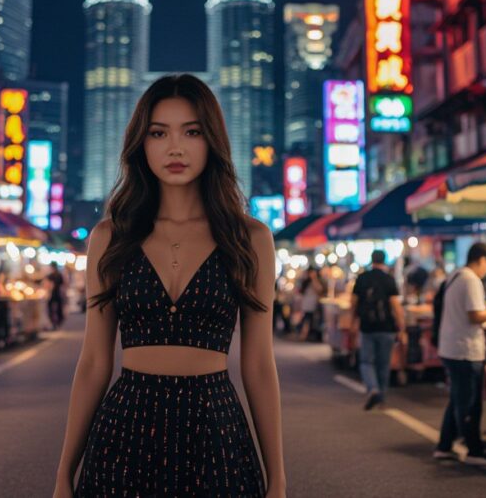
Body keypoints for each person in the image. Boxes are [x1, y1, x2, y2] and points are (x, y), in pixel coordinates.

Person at [54, 75, 282, 497]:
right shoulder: (111, 236)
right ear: (142, 143)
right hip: (123, 433)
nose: (175, 147)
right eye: (159, 133)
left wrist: (278, 480)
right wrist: (63, 475)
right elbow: (93, 363)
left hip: (217, 433)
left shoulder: (249, 237)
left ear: (211, 140)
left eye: (191, 132)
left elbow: (259, 367)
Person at [434, 242, 486, 466]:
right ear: (481, 260)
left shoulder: (455, 276)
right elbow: (475, 316)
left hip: (451, 347)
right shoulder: (471, 280)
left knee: (457, 399)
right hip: (465, 350)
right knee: (469, 403)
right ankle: (474, 451)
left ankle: (444, 445)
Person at [352, 250, 406, 410]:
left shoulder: (362, 278)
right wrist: (401, 327)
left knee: (366, 361)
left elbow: (353, 303)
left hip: (367, 327)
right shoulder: (389, 279)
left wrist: (353, 322)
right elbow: (395, 306)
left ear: (371, 260)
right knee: (384, 363)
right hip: (387, 328)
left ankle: (373, 388)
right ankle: (381, 397)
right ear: (384, 261)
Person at [297, 266, 324, 341]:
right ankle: (304, 334)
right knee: (306, 319)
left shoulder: (317, 281)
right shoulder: (305, 282)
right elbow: (301, 292)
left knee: (310, 319)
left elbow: (319, 290)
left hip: (313, 304)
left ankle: (306, 335)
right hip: (306, 304)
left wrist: (314, 279)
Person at [46, 261, 66, 329]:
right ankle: (58, 321)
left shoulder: (50, 275)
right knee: (59, 308)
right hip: (58, 293)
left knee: (50, 308)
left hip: (52, 294)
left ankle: (53, 322)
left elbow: (47, 285)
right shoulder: (59, 274)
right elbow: (63, 285)